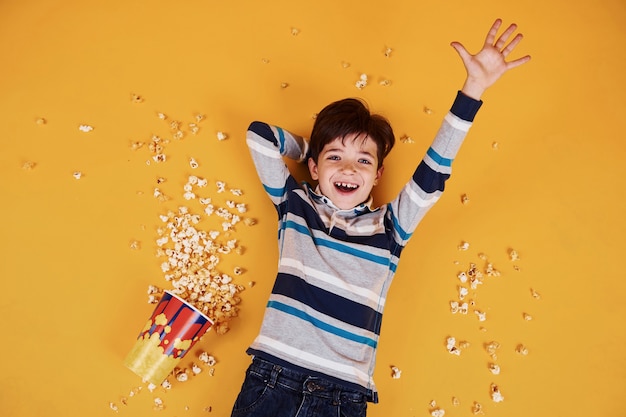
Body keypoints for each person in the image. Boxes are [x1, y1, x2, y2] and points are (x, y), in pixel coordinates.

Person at [230, 19, 531, 417]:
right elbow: (259, 136)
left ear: (378, 174)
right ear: (316, 168)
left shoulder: (391, 227)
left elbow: (434, 172)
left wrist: (472, 90)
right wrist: (312, 149)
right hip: (272, 378)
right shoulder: (295, 205)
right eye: (335, 157)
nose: (349, 169)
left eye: (363, 160)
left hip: (342, 399)